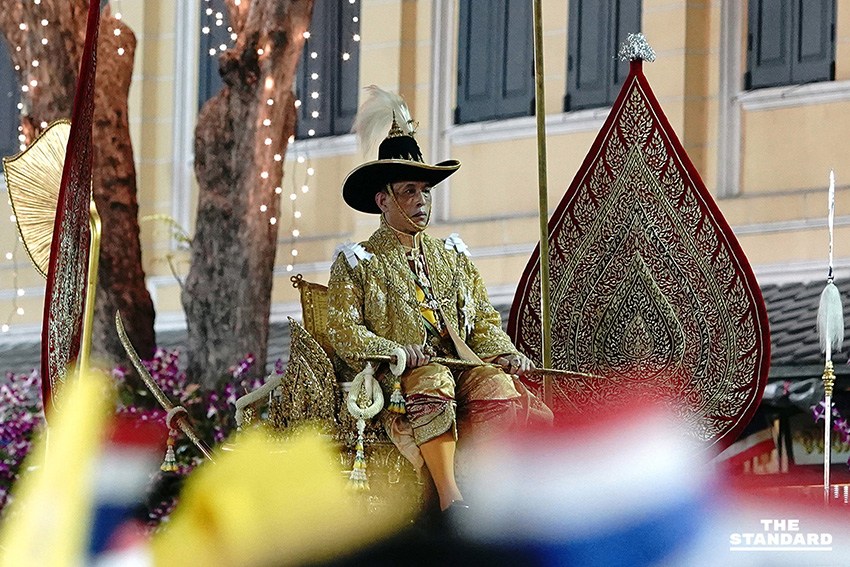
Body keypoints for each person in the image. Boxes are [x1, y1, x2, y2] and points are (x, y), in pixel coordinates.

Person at [327, 87, 552, 513]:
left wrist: (506, 353)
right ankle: (450, 498)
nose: (421, 201)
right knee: (434, 381)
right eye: (409, 191)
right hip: (396, 377)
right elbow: (344, 329)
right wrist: (395, 350)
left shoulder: (452, 256)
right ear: (383, 200)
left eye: (425, 191)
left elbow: (483, 320)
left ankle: (488, 489)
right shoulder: (358, 261)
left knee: (498, 386)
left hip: (461, 364)